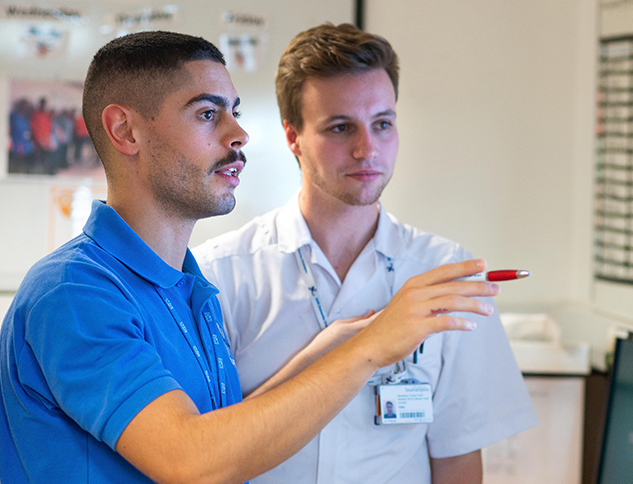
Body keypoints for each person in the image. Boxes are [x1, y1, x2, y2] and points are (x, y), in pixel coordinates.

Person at [0, 31, 499, 484]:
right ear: (126, 131)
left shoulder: (190, 292)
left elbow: (228, 435)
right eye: (207, 113)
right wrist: (367, 352)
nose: (237, 134)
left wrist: (324, 353)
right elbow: (192, 460)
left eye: (234, 111)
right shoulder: (75, 292)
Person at [193, 23, 538, 484]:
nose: (366, 149)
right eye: (340, 128)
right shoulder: (219, 274)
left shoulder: (443, 275)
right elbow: (202, 454)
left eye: (383, 124)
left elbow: (456, 460)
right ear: (293, 137)